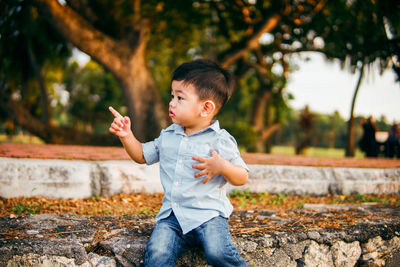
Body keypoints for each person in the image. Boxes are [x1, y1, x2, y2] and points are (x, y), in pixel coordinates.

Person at [109, 59, 249, 267]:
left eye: (180, 97)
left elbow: (242, 176)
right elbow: (141, 155)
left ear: (206, 108)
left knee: (217, 252)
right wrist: (126, 135)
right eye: (172, 96)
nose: (171, 103)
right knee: (157, 253)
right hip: (173, 217)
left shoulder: (220, 141)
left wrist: (223, 167)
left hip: (209, 215)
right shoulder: (168, 136)